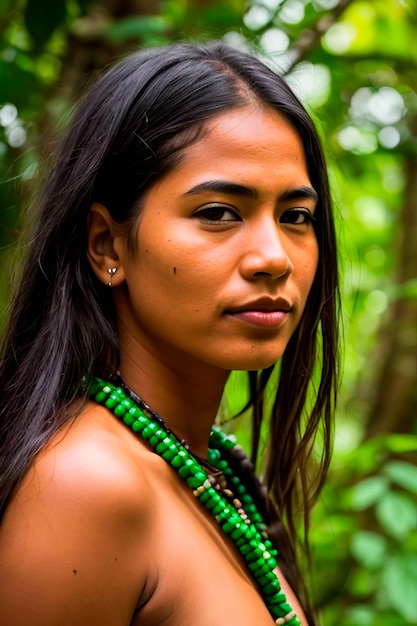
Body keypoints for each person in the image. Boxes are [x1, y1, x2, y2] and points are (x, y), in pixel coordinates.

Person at [0, 40, 339, 626]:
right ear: (107, 243)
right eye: (217, 213)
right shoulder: (87, 487)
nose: (273, 257)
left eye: (296, 217)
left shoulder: (213, 471)